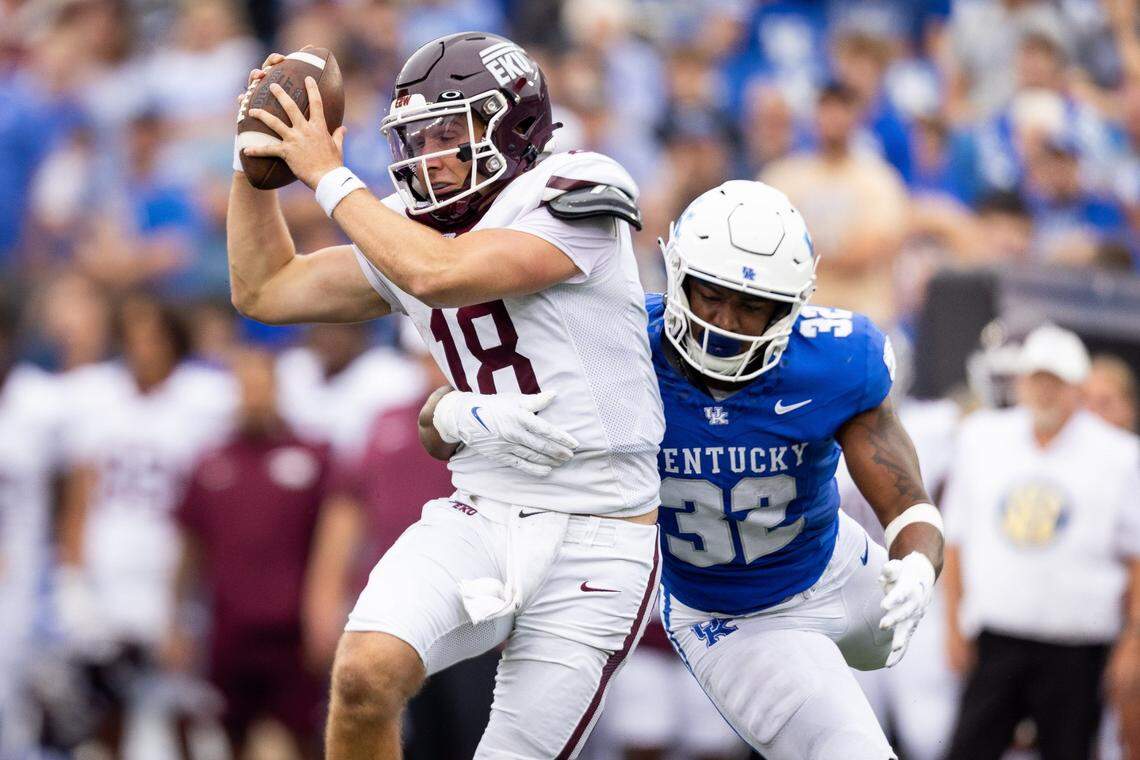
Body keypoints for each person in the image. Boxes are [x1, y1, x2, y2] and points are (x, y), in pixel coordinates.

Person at [227, 32, 664, 759]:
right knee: (364, 674)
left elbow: (444, 274)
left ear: (514, 126)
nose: (424, 155)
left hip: (601, 529)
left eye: (445, 133)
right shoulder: (410, 224)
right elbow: (266, 289)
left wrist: (331, 176)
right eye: (413, 136)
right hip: (482, 503)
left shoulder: (573, 187)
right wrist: (255, 162)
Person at [421, 181, 945, 759]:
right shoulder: (615, 345)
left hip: (837, 565)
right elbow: (434, 421)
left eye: (751, 306)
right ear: (675, 278)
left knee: (923, 684)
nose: (724, 322)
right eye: (709, 295)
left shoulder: (838, 360)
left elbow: (907, 502)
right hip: (734, 616)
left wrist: (919, 562)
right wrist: (458, 412)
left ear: (791, 307)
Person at [941, 325, 1140, 760]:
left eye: (1056, 381)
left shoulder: (1119, 454)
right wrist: (953, 625)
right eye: (1037, 379)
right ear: (1021, 382)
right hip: (997, 636)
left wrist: (1132, 642)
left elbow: (1136, 558)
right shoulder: (982, 438)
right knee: (968, 746)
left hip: (1077, 647)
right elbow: (955, 539)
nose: (1045, 391)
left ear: (1077, 388)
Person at [54, 294, 236, 756]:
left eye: (152, 334)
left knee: (187, 707)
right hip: (109, 571)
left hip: (174, 576)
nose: (142, 345)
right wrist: (73, 578)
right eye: (134, 334)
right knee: (102, 706)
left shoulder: (206, 399)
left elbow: (215, 500)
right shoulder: (96, 397)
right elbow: (80, 495)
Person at [164, 347, 332, 759]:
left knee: (306, 739)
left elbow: (334, 546)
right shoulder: (210, 462)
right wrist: (176, 621)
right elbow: (189, 547)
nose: (254, 396)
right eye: (246, 387)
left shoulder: (314, 456)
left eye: (262, 386)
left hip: (293, 633)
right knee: (230, 737)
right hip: (229, 630)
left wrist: (325, 615)